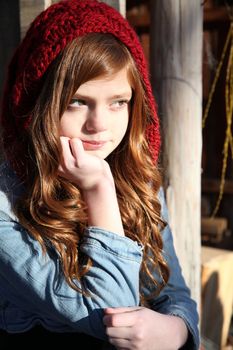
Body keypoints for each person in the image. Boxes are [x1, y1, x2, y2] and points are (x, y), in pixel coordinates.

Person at [0, 0, 199, 348]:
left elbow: (173, 293)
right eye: (78, 101)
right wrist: (98, 188)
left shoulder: (139, 184)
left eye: (118, 102)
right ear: (40, 103)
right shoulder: (6, 204)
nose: (99, 125)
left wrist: (177, 331)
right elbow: (109, 311)